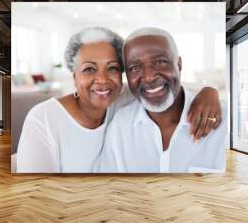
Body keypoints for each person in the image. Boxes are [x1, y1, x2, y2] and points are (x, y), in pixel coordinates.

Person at [16, 27, 222, 173]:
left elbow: (164, 85)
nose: (103, 80)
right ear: (74, 77)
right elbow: (35, 192)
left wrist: (210, 91)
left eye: (113, 68)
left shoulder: (121, 97)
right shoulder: (44, 119)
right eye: (89, 69)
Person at [95, 27, 227, 173]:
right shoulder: (120, 127)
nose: (149, 76)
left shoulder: (223, 120)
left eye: (160, 62)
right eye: (134, 67)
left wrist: (211, 90)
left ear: (179, 64)